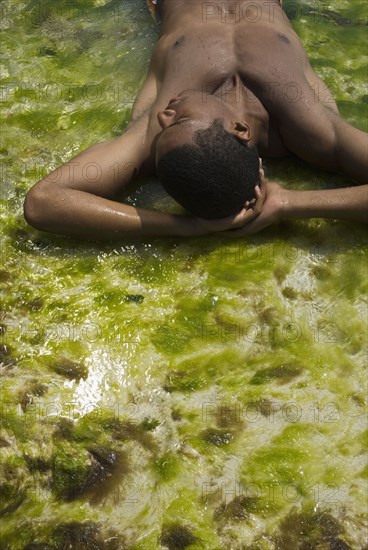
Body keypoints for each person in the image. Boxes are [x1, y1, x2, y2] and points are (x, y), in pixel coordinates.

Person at [23, 0, 368, 240]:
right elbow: (44, 204)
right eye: (180, 120)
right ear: (240, 129)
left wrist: (184, 227)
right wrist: (287, 203)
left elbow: (44, 201)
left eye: (168, 122)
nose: (163, 114)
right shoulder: (309, 128)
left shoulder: (151, 137)